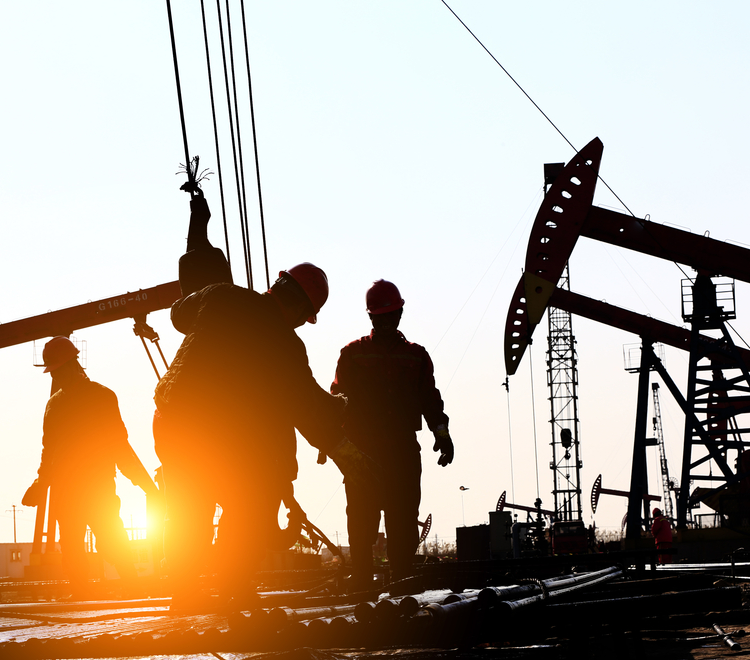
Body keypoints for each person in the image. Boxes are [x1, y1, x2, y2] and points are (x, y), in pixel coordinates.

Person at [153, 190, 379, 609]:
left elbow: (181, 311)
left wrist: (198, 230)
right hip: (210, 430)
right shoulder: (284, 344)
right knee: (253, 498)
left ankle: (184, 595)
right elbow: (305, 406)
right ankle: (233, 588)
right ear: (301, 311)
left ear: (277, 284)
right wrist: (342, 440)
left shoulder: (220, 296)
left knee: (189, 505)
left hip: (171, 422)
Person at [330, 279, 454, 592]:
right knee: (362, 518)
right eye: (379, 317)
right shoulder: (352, 355)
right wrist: (330, 439)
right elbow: (337, 399)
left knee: (402, 519)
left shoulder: (416, 356)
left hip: (401, 450)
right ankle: (362, 581)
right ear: (371, 317)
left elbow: (430, 399)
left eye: (389, 316)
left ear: (399, 314)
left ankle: (402, 581)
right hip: (364, 451)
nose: (384, 322)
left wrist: (442, 433)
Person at [23, 336, 158, 592]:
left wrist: (146, 485)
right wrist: (40, 484)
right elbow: (49, 453)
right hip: (69, 490)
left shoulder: (101, 397)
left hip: (97, 487)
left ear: (74, 365)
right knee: (73, 549)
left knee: (111, 541)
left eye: (59, 371)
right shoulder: (55, 405)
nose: (56, 377)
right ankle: (81, 598)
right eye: (53, 372)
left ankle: (133, 590)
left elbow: (120, 447)